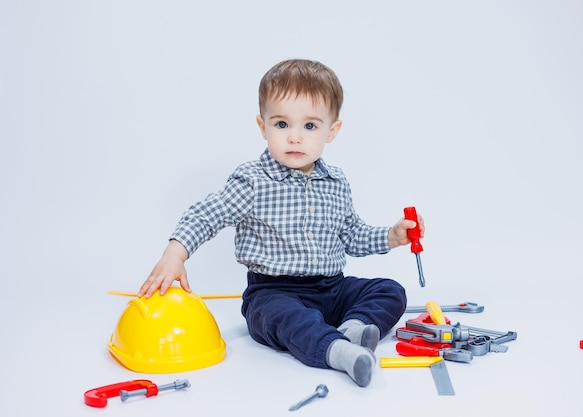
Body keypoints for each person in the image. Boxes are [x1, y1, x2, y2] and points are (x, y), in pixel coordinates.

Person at [137, 59, 424, 387]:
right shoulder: (253, 181)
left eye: (310, 126)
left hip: (331, 288)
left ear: (332, 131)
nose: (295, 138)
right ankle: (337, 351)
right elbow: (207, 213)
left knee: (390, 290)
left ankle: (352, 329)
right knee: (283, 318)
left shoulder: (336, 182)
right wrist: (175, 253)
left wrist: (391, 235)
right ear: (263, 126)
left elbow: (352, 235)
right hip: (273, 291)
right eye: (282, 124)